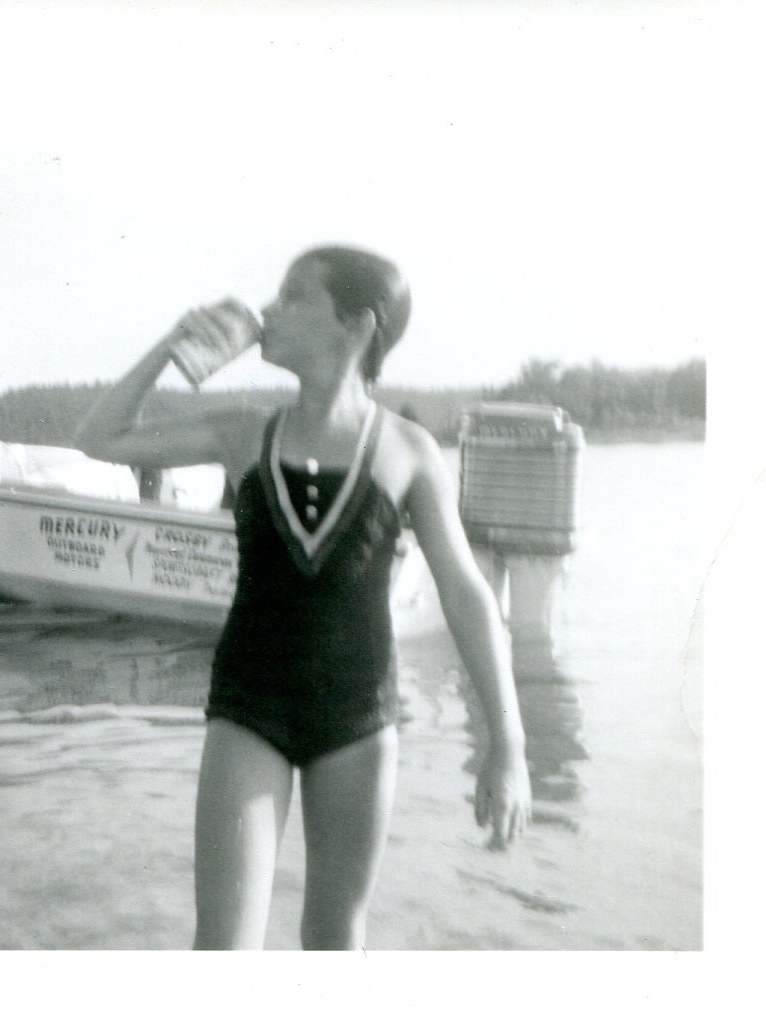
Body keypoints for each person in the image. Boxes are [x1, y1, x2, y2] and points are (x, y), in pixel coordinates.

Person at [75, 245, 531, 950]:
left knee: (334, 941)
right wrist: (173, 344)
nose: (267, 311)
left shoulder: (408, 451)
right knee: (223, 950)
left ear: (356, 324)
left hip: (358, 717)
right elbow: (99, 438)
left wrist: (508, 745)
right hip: (249, 708)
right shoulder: (244, 432)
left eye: (292, 297)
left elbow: (468, 594)